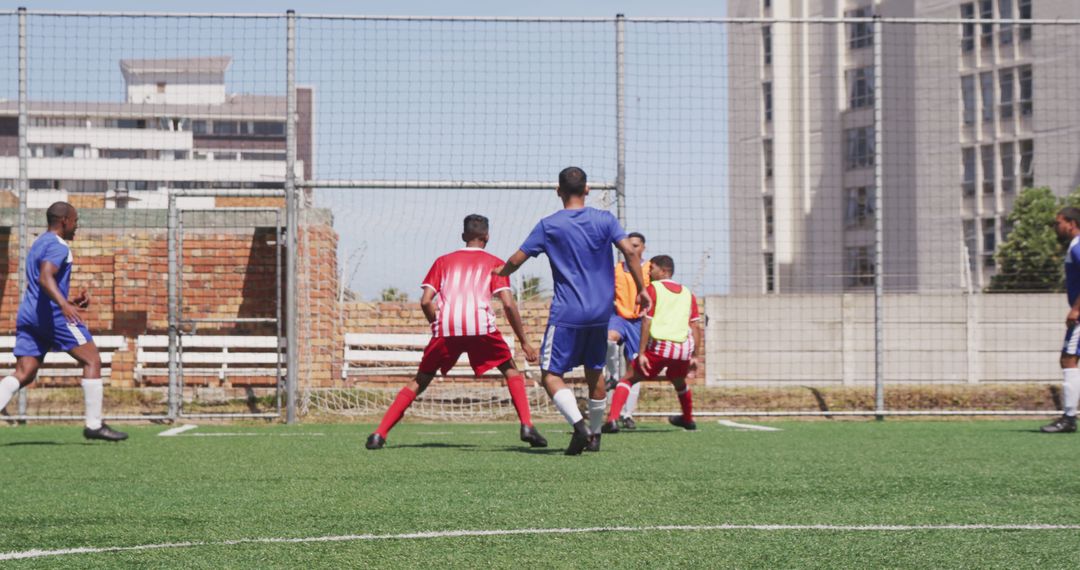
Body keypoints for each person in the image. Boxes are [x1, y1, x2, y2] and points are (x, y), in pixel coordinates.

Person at [495, 167, 649, 455]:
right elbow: (629, 251)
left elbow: (517, 259)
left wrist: (501, 270)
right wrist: (641, 288)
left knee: (550, 375)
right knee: (595, 372)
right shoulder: (605, 219)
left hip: (567, 313)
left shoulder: (549, 225)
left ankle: (580, 427)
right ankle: (595, 436)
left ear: (558, 191)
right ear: (587, 189)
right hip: (601, 314)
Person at [366, 214, 546, 449]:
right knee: (511, 371)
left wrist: (437, 325)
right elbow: (509, 304)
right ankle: (527, 425)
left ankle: (379, 434)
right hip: (481, 326)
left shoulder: (443, 261)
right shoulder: (495, 263)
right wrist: (524, 342)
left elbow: (425, 301)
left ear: (463, 236)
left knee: (420, 380)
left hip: (446, 329)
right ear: (487, 236)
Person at [0, 202, 127, 441]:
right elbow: (46, 277)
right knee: (92, 360)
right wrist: (64, 304)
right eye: (76, 221)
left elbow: (43, 281)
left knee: (24, 373)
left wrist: (68, 299)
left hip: (30, 314)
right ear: (65, 221)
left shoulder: (38, 243)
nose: (77, 226)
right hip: (53, 317)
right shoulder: (59, 246)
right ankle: (94, 425)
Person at [602, 255, 701, 434]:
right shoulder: (688, 293)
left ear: (663, 271)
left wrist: (641, 353)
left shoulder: (653, 289)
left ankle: (612, 420)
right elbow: (695, 326)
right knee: (678, 380)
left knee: (628, 378)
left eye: (652, 268)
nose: (648, 271)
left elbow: (646, 321)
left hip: (661, 346)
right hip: (683, 349)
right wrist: (695, 355)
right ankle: (688, 419)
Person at [605, 231, 650, 430]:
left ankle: (627, 414)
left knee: (634, 369)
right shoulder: (615, 269)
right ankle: (612, 376)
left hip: (639, 322)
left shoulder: (650, 269)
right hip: (619, 317)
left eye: (636, 245)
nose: (631, 249)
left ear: (643, 247)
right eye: (628, 245)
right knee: (609, 339)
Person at [1043, 207, 1080, 433]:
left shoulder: (1077, 246)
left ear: (1071, 223)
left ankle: (1068, 418)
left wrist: (1076, 309)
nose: (1056, 227)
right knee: (1069, 359)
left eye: (1058, 223)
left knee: (1068, 359)